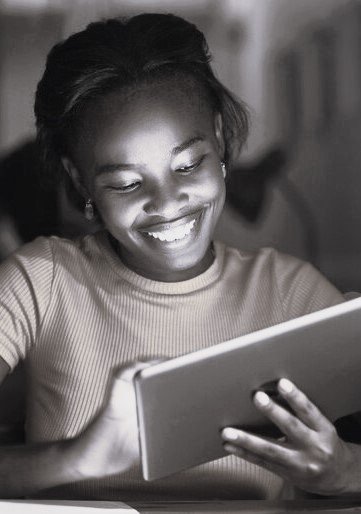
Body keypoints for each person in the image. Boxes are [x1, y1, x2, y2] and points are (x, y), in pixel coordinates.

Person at [0, 12, 359, 502]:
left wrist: (345, 472)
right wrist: (77, 457)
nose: (168, 203)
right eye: (126, 183)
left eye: (189, 164)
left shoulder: (289, 292)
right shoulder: (38, 282)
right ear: (81, 181)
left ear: (218, 140)